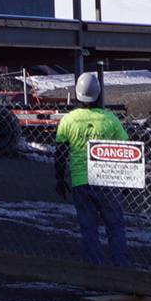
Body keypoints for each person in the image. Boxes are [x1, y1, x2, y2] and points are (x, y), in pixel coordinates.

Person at [53, 72, 134, 268]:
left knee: (89, 228)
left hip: (81, 181)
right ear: (98, 93)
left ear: (77, 94)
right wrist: (127, 180)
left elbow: (60, 153)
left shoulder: (68, 120)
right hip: (107, 179)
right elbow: (127, 149)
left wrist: (60, 179)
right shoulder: (109, 119)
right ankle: (121, 268)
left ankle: (96, 269)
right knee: (115, 226)